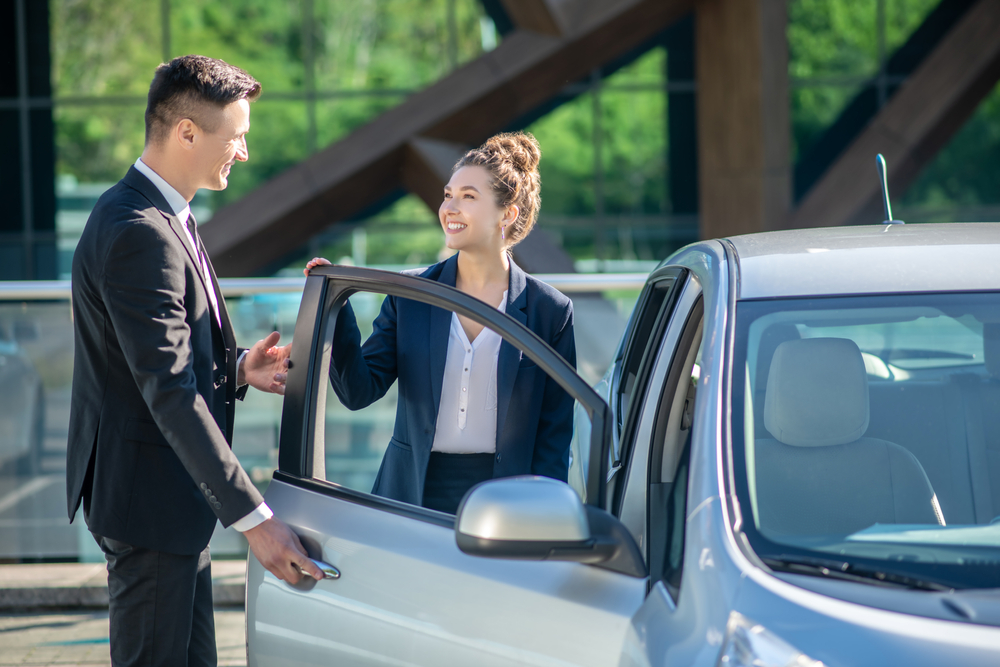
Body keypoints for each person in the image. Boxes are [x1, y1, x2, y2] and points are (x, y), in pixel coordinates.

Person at [66, 55, 322, 667]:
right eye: (236, 137)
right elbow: (169, 392)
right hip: (150, 505)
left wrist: (236, 372)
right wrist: (257, 522)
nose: (244, 152)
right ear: (186, 132)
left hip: (171, 505)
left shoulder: (160, 213)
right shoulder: (140, 230)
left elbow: (146, 364)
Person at [305, 131, 575, 514]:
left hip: (506, 503)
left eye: (468, 196)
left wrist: (547, 520)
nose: (450, 207)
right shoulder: (411, 293)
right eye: (448, 194)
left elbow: (554, 434)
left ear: (507, 213)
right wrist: (337, 306)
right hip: (411, 494)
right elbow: (358, 392)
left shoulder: (550, 310)